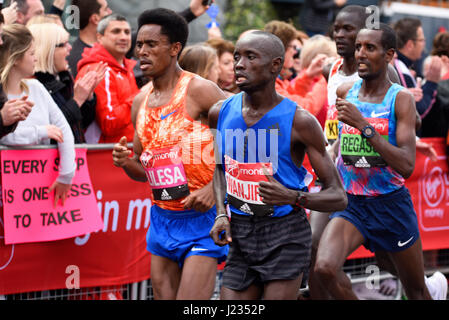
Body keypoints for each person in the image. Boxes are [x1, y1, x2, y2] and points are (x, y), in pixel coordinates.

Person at [208, 31, 347, 300]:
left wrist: (293, 196)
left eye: (250, 57)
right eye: (237, 56)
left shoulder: (301, 122)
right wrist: (221, 213)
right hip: (241, 231)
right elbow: (217, 168)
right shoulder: (219, 112)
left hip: (285, 233)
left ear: (275, 65)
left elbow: (338, 196)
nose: (239, 64)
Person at [313, 23, 445, 300]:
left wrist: (364, 126)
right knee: (324, 269)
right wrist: (331, 152)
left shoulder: (401, 100)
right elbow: (343, 142)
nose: (360, 53)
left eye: (369, 48)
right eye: (359, 47)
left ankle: (437, 289)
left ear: (388, 55)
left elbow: (406, 165)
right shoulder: (345, 91)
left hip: (390, 205)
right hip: (353, 204)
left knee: (416, 290)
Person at [112, 8, 228, 300]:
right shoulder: (140, 101)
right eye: (140, 45)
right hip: (162, 220)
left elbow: (247, 145)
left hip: (202, 220)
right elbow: (144, 170)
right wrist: (126, 163)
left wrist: (213, 191)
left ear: (175, 48)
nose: (142, 51)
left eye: (152, 44)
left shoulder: (200, 91)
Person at [0, 24, 75, 207]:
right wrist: (41, 131)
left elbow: (63, 128)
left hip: (39, 190)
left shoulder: (36, 88)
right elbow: (6, 137)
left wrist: (66, 175)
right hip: (6, 193)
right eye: (32, 53)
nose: (36, 59)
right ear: (16, 58)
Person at [29, 22, 106, 144]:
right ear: (48, 50)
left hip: (74, 156)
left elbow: (81, 123)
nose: (70, 47)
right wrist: (77, 100)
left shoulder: (64, 77)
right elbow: (52, 130)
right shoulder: (32, 84)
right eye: (64, 44)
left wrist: (88, 97)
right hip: (52, 159)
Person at [77, 14, 139, 144]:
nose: (123, 37)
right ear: (99, 37)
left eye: (127, 32)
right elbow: (109, 123)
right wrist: (140, 98)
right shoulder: (99, 69)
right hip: (105, 156)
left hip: (126, 152)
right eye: (116, 31)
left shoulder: (126, 67)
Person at [264, 20, 329, 118]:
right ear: (281, 49)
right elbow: (304, 110)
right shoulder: (268, 84)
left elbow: (293, 95)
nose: (295, 52)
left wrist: (308, 75)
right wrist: (326, 76)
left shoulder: (277, 79)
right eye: (293, 47)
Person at [392, 17, 442, 124]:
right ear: (410, 44)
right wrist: (431, 82)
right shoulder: (400, 69)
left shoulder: (404, 67)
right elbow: (416, 113)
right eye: (422, 40)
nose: (424, 44)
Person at [67, 0, 112, 78]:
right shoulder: (79, 60)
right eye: (106, 9)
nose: (110, 12)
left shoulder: (113, 47)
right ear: (95, 19)